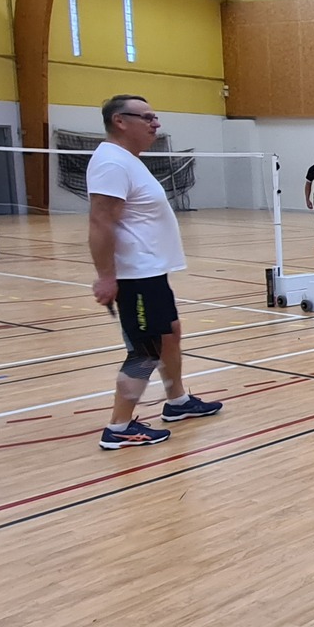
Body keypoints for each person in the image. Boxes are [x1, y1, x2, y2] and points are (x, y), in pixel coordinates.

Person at [87, 94, 222, 449]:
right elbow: (100, 221)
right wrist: (106, 276)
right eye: (147, 117)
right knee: (145, 349)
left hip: (151, 272)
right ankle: (118, 427)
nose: (155, 124)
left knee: (170, 334)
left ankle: (177, 402)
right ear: (120, 121)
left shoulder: (128, 160)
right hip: (134, 276)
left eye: (155, 117)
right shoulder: (112, 163)